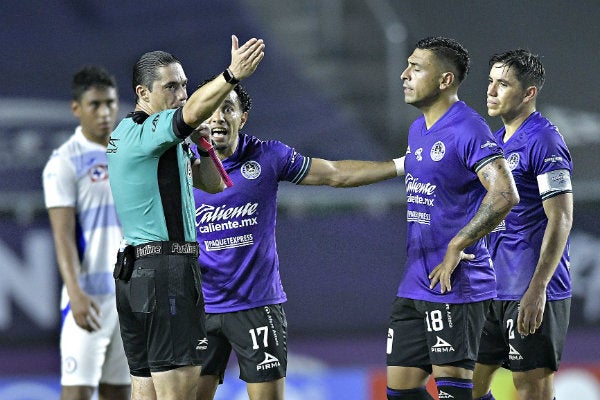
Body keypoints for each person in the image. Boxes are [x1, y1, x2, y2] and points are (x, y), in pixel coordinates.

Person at [191, 81, 405, 400]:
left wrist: (401, 165)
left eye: (228, 109)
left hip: (256, 306)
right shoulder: (183, 162)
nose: (218, 117)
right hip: (200, 307)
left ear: (243, 118)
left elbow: (334, 173)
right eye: (210, 110)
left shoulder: (268, 156)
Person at [106, 35, 265, 400]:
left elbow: (212, 185)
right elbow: (190, 113)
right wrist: (231, 75)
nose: (181, 94)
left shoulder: (133, 136)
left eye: (184, 85)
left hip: (135, 276)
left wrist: (203, 142)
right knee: (179, 394)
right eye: (171, 87)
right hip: (167, 272)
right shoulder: (150, 132)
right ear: (142, 93)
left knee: (145, 390)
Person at [385, 36, 520, 400]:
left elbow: (505, 193)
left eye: (416, 68)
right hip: (415, 282)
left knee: (456, 394)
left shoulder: (468, 128)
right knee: (400, 392)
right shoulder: (418, 130)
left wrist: (458, 243)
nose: (403, 75)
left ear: (445, 80)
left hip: (455, 284)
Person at [472, 49, 573, 400]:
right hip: (491, 289)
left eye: (503, 84)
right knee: (463, 384)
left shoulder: (544, 140)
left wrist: (538, 288)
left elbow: (560, 217)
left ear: (529, 93)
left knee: (531, 391)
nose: (491, 90)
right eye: (490, 82)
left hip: (529, 289)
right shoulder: (495, 144)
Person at [42, 65, 130, 400]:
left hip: (129, 295)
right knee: (77, 392)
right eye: (95, 104)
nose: (105, 112)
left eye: (110, 103)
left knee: (119, 392)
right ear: (76, 108)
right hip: (89, 297)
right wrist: (75, 293)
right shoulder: (64, 161)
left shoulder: (129, 154)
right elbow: (62, 235)